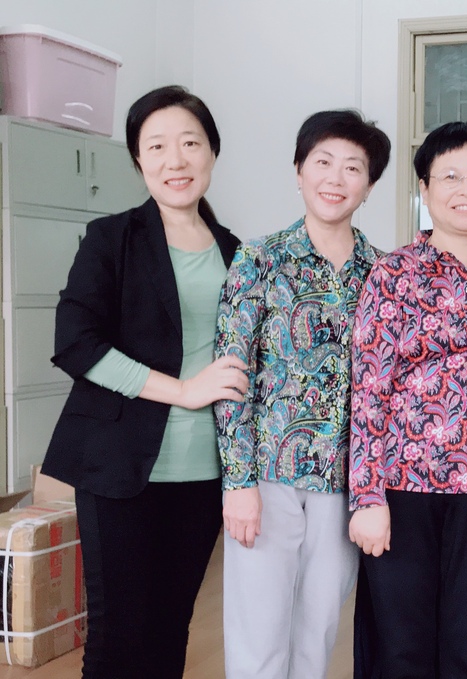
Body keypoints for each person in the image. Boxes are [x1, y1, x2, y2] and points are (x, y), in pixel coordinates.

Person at [41, 85, 248, 679]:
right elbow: (76, 342)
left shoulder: (236, 251)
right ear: (138, 159)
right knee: (117, 636)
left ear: (212, 152)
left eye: (190, 143)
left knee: (170, 627)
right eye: (156, 146)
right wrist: (182, 390)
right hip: (119, 466)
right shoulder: (112, 238)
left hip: (204, 471)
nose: (174, 160)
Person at [348, 121, 467, 678]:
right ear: (425, 189)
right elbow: (369, 391)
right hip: (402, 490)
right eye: (451, 176)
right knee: (401, 650)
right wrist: (366, 498)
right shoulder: (392, 274)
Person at [214, 109, 390, 679]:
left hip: (344, 484)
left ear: (369, 185)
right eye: (322, 161)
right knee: (259, 636)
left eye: (353, 167)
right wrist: (238, 483)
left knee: (318, 634)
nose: (335, 178)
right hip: (269, 478)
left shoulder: (383, 273)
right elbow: (231, 376)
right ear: (299, 171)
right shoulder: (259, 259)